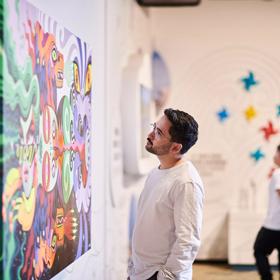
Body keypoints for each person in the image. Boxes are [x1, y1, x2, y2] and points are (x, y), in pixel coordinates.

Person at [127, 108, 204, 280]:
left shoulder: (186, 183)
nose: (150, 134)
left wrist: (165, 276)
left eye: (159, 133)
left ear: (176, 147)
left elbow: (188, 241)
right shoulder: (156, 172)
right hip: (140, 273)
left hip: (158, 275)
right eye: (154, 127)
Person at [254, 144, 280, 280]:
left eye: (276, 153)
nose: (274, 156)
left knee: (259, 250)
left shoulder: (278, 173)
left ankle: (267, 278)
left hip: (274, 225)